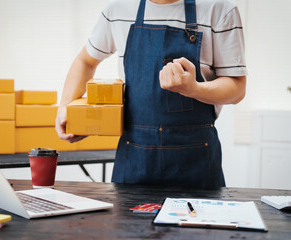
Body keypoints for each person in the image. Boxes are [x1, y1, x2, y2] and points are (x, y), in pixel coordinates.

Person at [56, 0, 246, 188]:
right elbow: (86, 61)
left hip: (196, 162)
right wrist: (65, 107)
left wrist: (194, 89)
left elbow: (237, 88)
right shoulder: (116, 11)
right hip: (135, 160)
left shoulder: (220, 10)